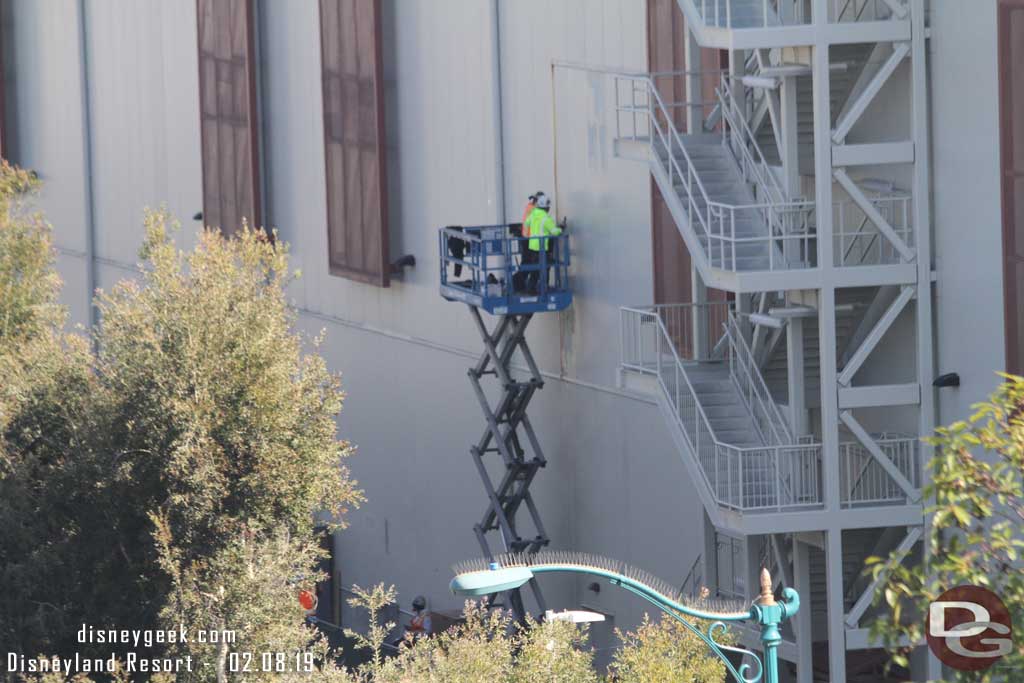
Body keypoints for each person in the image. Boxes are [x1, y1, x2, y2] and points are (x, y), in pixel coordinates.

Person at [522, 192, 561, 294]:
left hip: (532, 246)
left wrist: (526, 234)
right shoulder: (546, 218)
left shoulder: (533, 214)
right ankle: (544, 288)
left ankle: (531, 288)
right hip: (542, 247)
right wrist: (560, 228)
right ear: (546, 207)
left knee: (535, 269)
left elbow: (526, 223)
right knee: (545, 268)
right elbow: (554, 232)